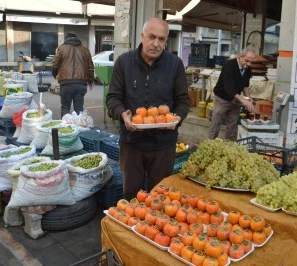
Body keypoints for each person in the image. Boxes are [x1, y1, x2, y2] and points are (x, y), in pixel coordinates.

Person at [106, 17, 190, 200]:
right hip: (132, 143)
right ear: (142, 36)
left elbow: (183, 101)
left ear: (166, 41)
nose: (156, 43)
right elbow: (113, 98)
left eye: (161, 39)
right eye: (152, 37)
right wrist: (122, 114)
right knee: (131, 196)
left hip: (163, 145)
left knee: (160, 197)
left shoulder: (174, 64)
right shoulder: (124, 62)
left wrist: (177, 119)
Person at [209, 49, 256, 141]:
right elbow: (229, 89)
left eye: (251, 62)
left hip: (235, 100)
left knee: (232, 125)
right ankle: (210, 144)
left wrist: (249, 98)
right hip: (222, 98)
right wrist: (244, 101)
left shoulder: (248, 68)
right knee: (216, 123)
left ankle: (229, 146)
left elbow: (245, 84)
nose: (249, 64)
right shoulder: (229, 65)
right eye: (247, 60)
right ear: (240, 56)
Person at [51, 33, 94, 118]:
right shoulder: (85, 50)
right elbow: (90, 67)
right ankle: (79, 128)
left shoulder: (61, 48)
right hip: (81, 83)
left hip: (66, 83)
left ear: (66, 39)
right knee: (79, 109)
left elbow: (54, 64)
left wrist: (55, 74)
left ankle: (65, 129)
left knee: (65, 108)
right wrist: (90, 81)